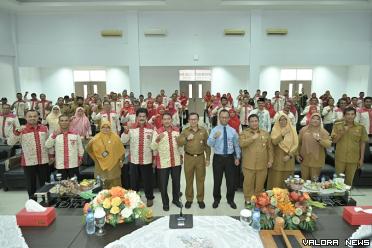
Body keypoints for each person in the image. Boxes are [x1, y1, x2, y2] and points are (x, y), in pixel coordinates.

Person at [8, 110, 50, 199]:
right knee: (31, 185)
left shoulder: (44, 128)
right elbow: (10, 142)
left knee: (45, 183)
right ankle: (32, 203)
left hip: (44, 160)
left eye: (34, 116)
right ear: (25, 117)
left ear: (38, 117)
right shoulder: (21, 129)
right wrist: (17, 132)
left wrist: (51, 155)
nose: (32, 118)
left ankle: (46, 202)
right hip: (28, 161)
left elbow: (48, 143)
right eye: (30, 116)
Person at [121, 108, 155, 207]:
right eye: (140, 116)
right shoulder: (131, 127)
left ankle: (149, 198)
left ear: (147, 117)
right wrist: (126, 132)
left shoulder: (151, 128)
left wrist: (154, 159)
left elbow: (154, 144)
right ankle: (134, 199)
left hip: (147, 159)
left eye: (144, 116)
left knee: (148, 180)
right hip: (134, 159)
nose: (142, 118)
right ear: (136, 117)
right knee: (134, 181)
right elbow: (123, 141)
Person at [207, 109, 241, 209]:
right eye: (222, 117)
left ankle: (230, 200)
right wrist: (214, 137)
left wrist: (237, 157)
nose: (224, 119)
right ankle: (216, 199)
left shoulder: (233, 131)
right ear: (219, 118)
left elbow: (236, 145)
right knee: (217, 181)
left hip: (230, 158)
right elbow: (209, 144)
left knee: (230, 181)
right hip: (218, 158)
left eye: (226, 117)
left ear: (229, 118)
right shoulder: (214, 130)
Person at [177, 112, 211, 209]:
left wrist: (207, 158)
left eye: (195, 119)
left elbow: (207, 146)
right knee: (189, 180)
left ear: (198, 120)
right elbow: (179, 142)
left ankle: (200, 199)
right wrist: (186, 139)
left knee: (200, 180)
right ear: (188, 120)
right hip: (189, 158)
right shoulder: (185, 131)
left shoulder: (203, 131)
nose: (193, 121)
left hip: (200, 158)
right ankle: (189, 199)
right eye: (191, 119)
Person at [151, 112, 183, 211]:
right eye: (164, 119)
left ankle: (176, 200)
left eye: (168, 119)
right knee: (163, 185)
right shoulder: (157, 131)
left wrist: (181, 156)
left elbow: (180, 146)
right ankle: (165, 203)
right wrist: (157, 140)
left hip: (176, 161)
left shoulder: (177, 131)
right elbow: (152, 147)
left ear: (171, 120)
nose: (167, 121)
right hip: (163, 162)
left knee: (176, 183)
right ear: (162, 121)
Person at [239, 114, 273, 204]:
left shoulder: (265, 133)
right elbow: (241, 144)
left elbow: (270, 148)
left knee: (260, 186)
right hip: (248, 165)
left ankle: (258, 202)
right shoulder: (244, 133)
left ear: (258, 122)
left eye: (256, 121)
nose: (254, 123)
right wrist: (252, 138)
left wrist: (270, 160)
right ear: (248, 123)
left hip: (262, 165)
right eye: (252, 121)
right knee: (248, 185)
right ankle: (248, 200)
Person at [332, 107, 368, 186]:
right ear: (344, 115)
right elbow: (334, 141)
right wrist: (342, 132)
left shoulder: (360, 127)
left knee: (349, 182)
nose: (350, 116)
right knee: (338, 181)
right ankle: (338, 197)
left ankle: (346, 197)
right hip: (340, 158)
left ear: (355, 115)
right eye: (348, 114)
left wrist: (361, 158)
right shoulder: (337, 125)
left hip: (353, 158)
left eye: (352, 114)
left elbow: (362, 143)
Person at [86, 120, 125, 189]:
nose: (105, 129)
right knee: (102, 187)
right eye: (103, 127)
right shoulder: (96, 138)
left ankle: (116, 199)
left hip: (114, 166)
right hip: (100, 166)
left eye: (108, 127)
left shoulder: (116, 137)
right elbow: (88, 149)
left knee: (115, 187)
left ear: (110, 128)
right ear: (100, 128)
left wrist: (121, 160)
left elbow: (121, 150)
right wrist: (95, 159)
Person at [45, 115, 84, 180]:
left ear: (69, 122)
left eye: (66, 120)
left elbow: (80, 147)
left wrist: (80, 158)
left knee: (75, 184)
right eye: (62, 121)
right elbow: (47, 145)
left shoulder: (75, 133)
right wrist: (54, 135)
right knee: (63, 185)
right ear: (59, 122)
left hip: (73, 163)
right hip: (60, 164)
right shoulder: (55, 133)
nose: (64, 122)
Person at [297, 113, 332, 181]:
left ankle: (313, 192)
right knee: (304, 181)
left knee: (314, 182)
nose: (315, 120)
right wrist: (297, 155)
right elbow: (299, 143)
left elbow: (328, 145)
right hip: (304, 159)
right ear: (310, 119)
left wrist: (319, 140)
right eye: (313, 118)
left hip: (317, 161)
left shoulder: (323, 132)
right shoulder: (303, 130)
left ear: (320, 121)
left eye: (318, 119)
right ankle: (304, 192)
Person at [267, 114, 298, 189]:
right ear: (278, 121)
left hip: (289, 160)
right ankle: (274, 198)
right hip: (278, 159)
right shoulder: (275, 129)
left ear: (287, 120)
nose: (283, 121)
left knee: (287, 182)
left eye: (285, 119)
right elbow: (274, 142)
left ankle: (287, 199)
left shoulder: (293, 130)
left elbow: (296, 144)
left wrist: (290, 155)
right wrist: (282, 135)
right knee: (276, 181)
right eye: (281, 120)